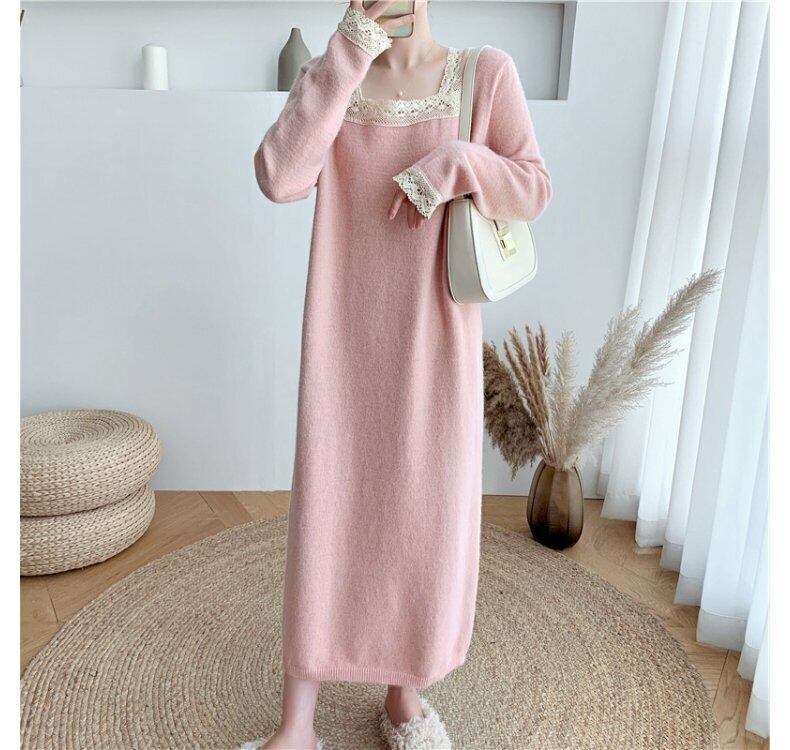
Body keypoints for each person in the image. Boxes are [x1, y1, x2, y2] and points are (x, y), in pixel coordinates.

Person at [248, 2, 551, 748]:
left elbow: (533, 187)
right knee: (329, 511)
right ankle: (297, 724)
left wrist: (457, 163)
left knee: (421, 513)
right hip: (342, 340)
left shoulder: (483, 74)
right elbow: (280, 177)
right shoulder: (333, 74)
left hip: (436, 342)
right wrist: (350, 49)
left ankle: (403, 695)